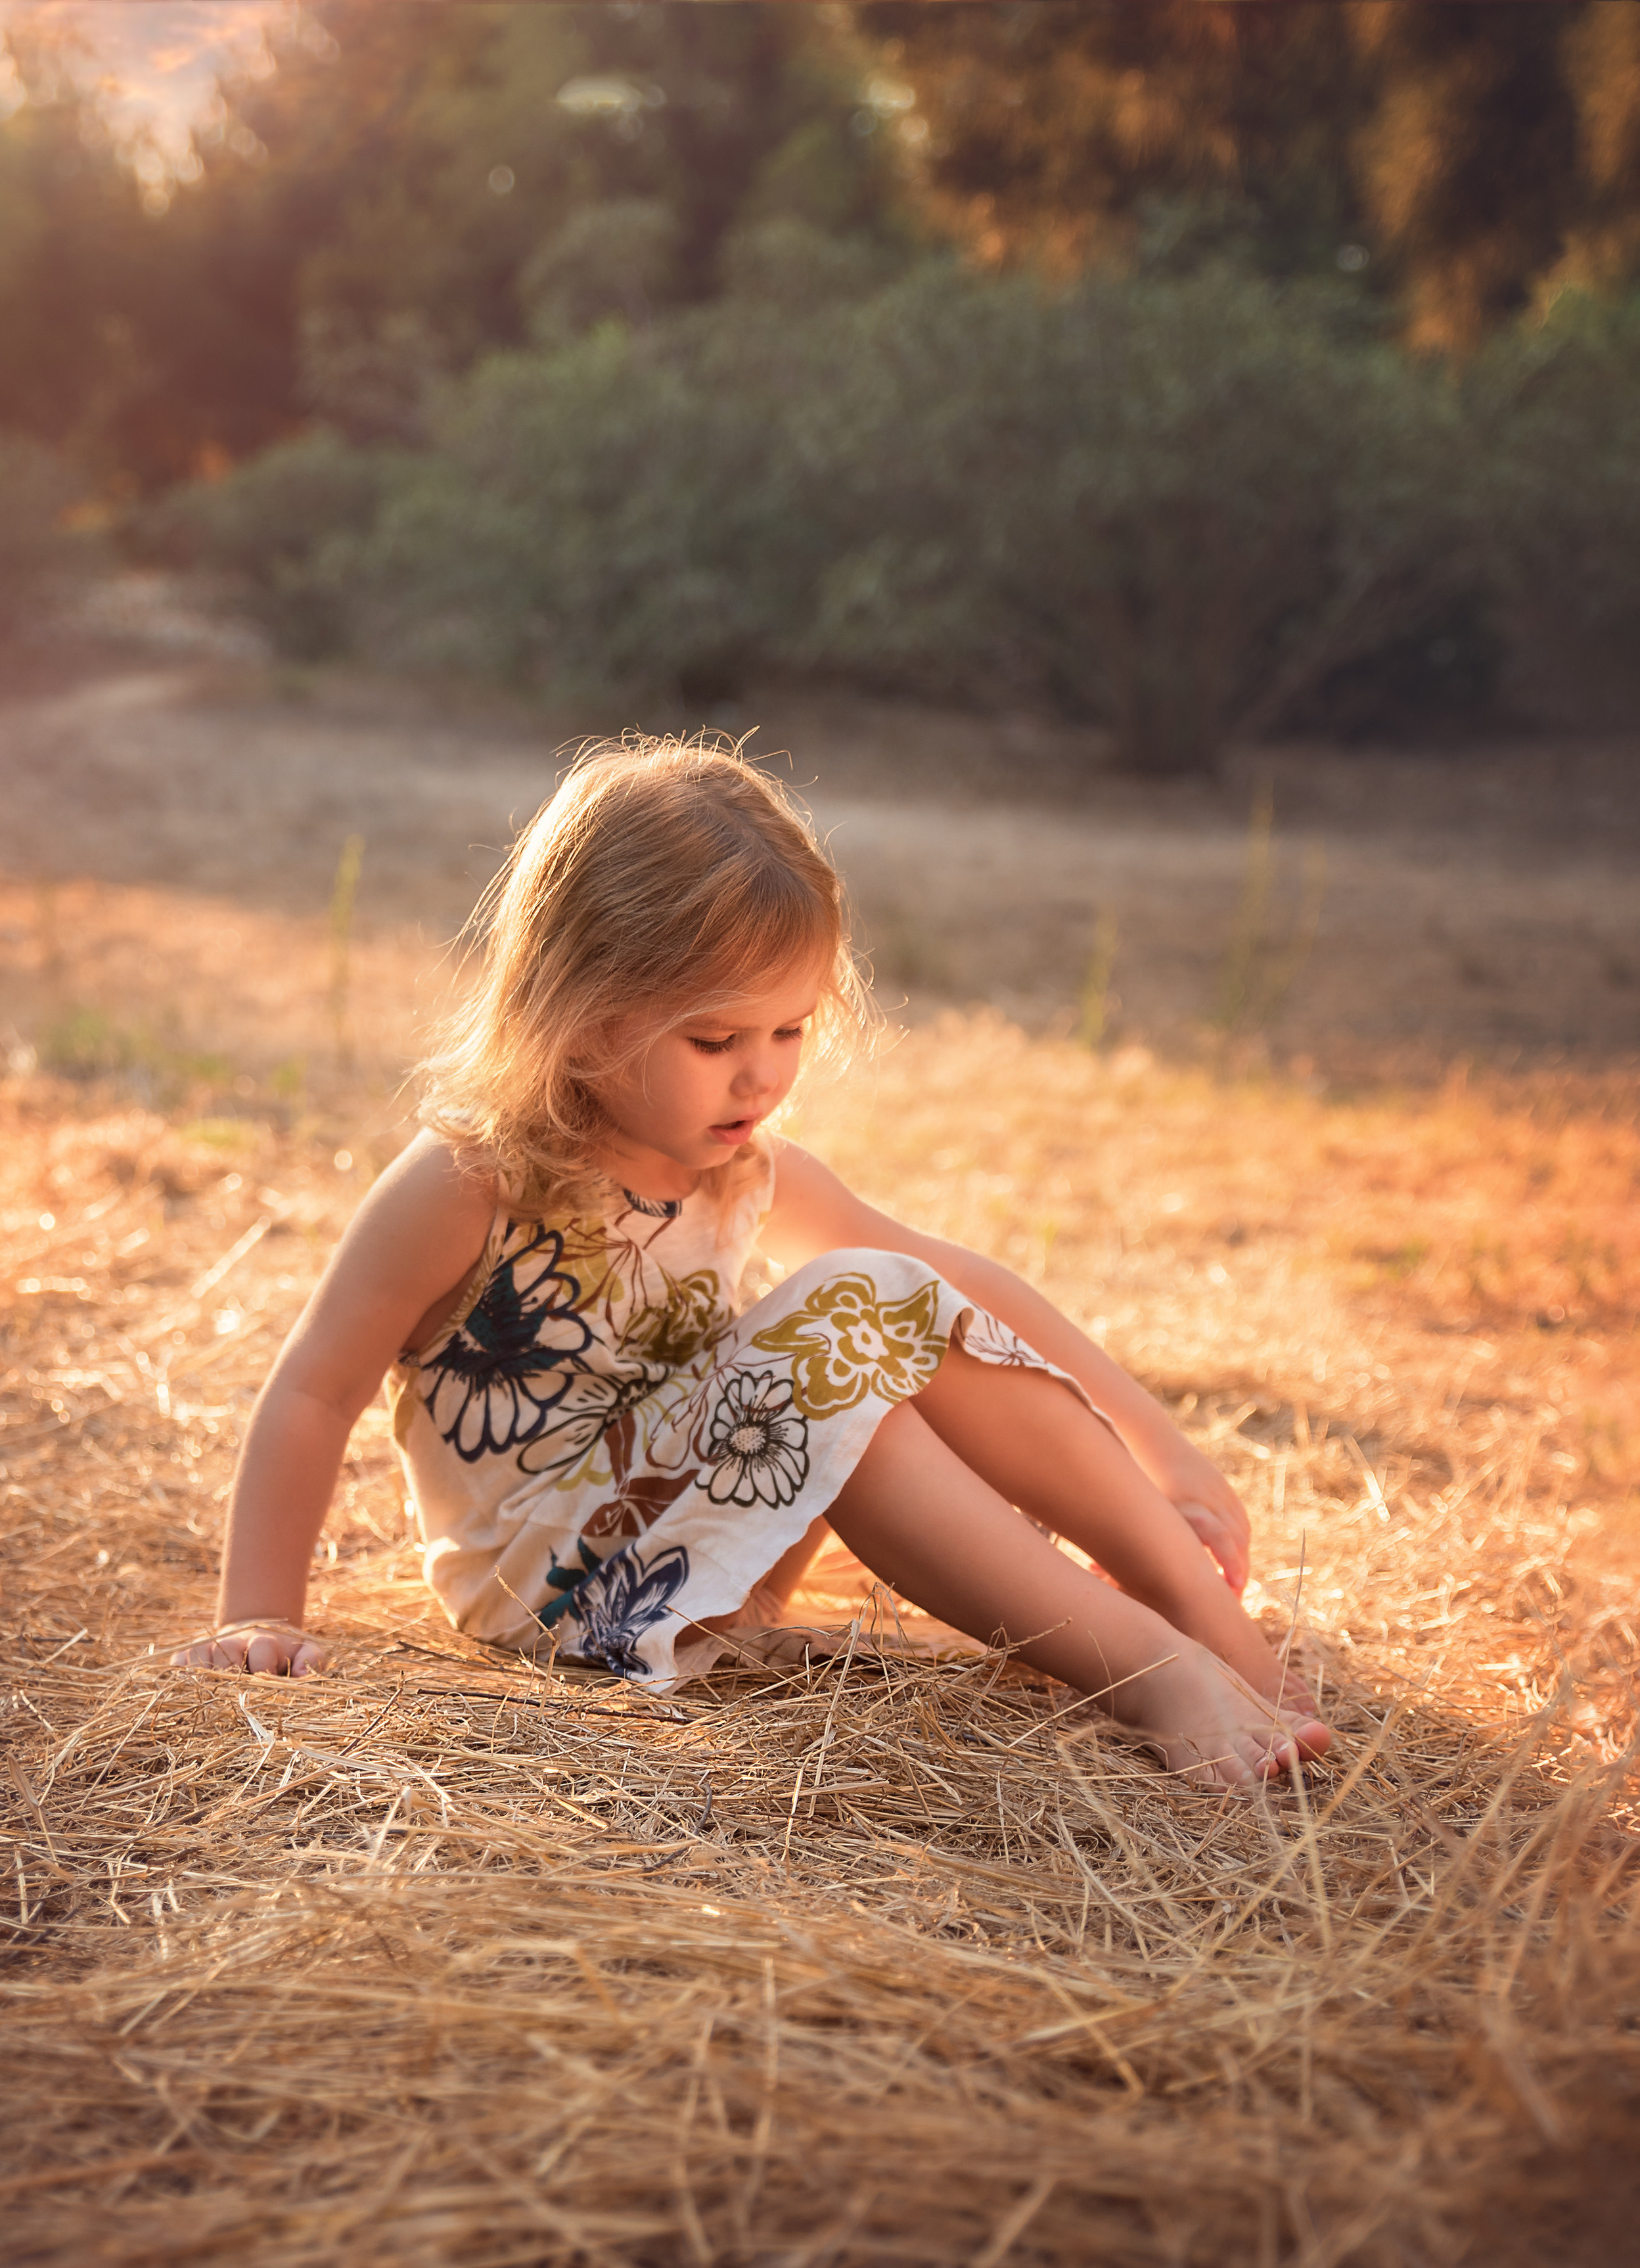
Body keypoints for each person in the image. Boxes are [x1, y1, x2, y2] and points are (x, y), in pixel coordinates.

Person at [175, 739, 1330, 1791]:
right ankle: (1145, 1666)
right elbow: (314, 1385)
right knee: (845, 1323)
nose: (761, 1077)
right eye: (716, 1039)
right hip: (561, 1593)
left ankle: (1184, 1595)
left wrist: (1165, 1455)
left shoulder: (751, 1172)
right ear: (580, 1018)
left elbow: (954, 1288)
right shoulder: (473, 1178)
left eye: (790, 1031)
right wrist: (258, 1613)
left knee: (886, 1298)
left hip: (721, 1547)